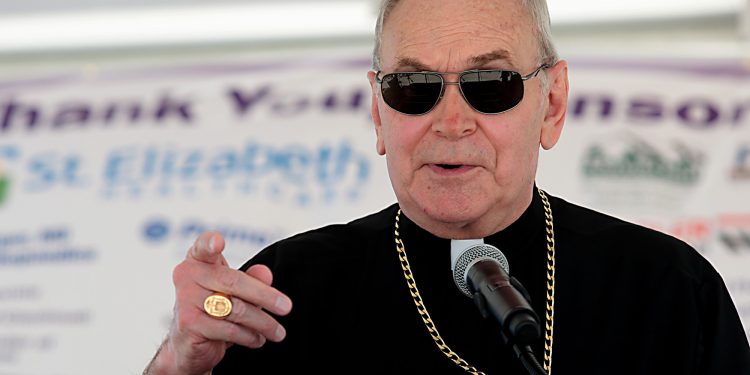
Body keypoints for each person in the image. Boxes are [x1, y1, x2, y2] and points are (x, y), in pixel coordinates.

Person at [143, 0, 750, 374]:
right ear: (380, 116)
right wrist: (177, 366)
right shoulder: (282, 294)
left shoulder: (669, 292)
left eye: (490, 83)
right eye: (414, 87)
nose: (452, 121)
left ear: (552, 104)